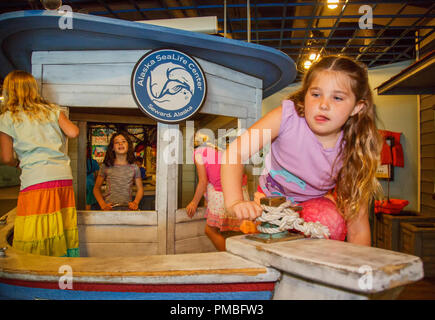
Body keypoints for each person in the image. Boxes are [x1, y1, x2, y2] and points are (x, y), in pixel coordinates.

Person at [221, 55, 383, 246]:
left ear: (357, 107)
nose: (323, 104)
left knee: (331, 220)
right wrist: (234, 202)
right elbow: (235, 152)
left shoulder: (354, 148)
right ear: (305, 95)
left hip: (312, 205)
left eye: (337, 97)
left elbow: (358, 228)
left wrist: (359, 272)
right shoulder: (287, 116)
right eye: (315, 94)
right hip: (270, 201)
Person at [0, 70, 80, 257]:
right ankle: (63, 264)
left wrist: (16, 163)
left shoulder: (7, 117)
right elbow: (74, 132)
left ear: (10, 90)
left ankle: (37, 267)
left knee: (35, 228)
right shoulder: (52, 110)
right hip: (62, 176)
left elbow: (5, 157)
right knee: (60, 224)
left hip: (35, 177)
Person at [186, 133, 250, 251]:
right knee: (244, 228)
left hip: (222, 193)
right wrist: (207, 201)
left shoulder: (198, 153)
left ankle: (230, 258)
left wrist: (194, 203)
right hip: (240, 191)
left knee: (210, 230)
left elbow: (203, 181)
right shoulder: (218, 150)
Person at [93, 131, 143, 211]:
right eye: (117, 142)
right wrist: (103, 204)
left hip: (128, 209)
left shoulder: (134, 167)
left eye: (123, 141)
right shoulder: (106, 166)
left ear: (128, 146)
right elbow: (96, 188)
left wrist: (135, 203)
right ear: (112, 147)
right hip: (109, 209)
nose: (120, 144)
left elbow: (140, 189)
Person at [86, 144, 100, 210]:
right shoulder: (93, 162)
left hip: (85, 185)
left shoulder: (80, 161)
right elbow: (98, 175)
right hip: (91, 185)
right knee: (89, 204)